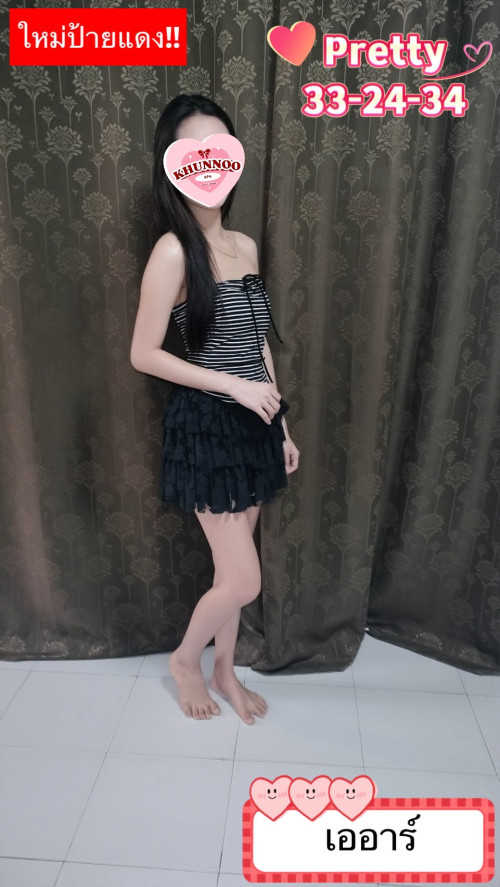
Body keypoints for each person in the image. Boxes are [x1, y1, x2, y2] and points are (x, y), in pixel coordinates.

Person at [130, 94, 299, 725]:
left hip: (255, 424)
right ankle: (186, 661)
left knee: (232, 573)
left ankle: (225, 669)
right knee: (244, 581)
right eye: (192, 151)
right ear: (172, 164)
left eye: (218, 149)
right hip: (207, 429)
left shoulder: (244, 245)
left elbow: (257, 343)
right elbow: (143, 353)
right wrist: (233, 388)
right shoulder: (174, 251)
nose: (207, 162)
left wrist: (281, 425)